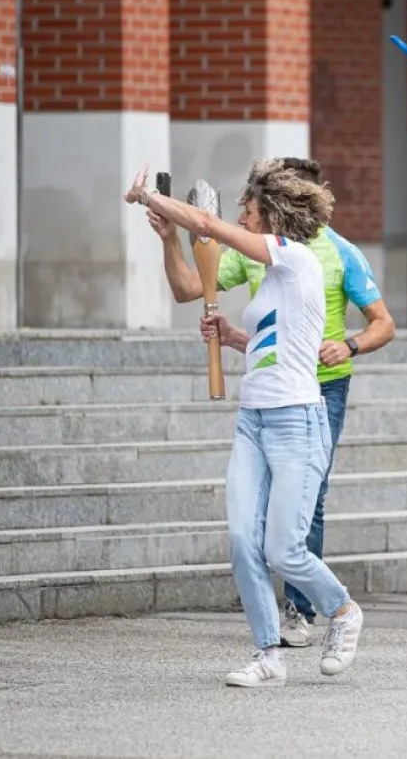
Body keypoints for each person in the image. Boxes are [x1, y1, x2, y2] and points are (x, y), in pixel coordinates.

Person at [124, 162, 364, 687]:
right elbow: (272, 341)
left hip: (297, 421)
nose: (241, 218)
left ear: (271, 216)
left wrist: (149, 197)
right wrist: (233, 336)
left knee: (284, 549)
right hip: (253, 419)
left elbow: (207, 225)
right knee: (241, 540)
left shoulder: (294, 258)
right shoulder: (273, 277)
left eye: (248, 211)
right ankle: (268, 654)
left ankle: (342, 610)